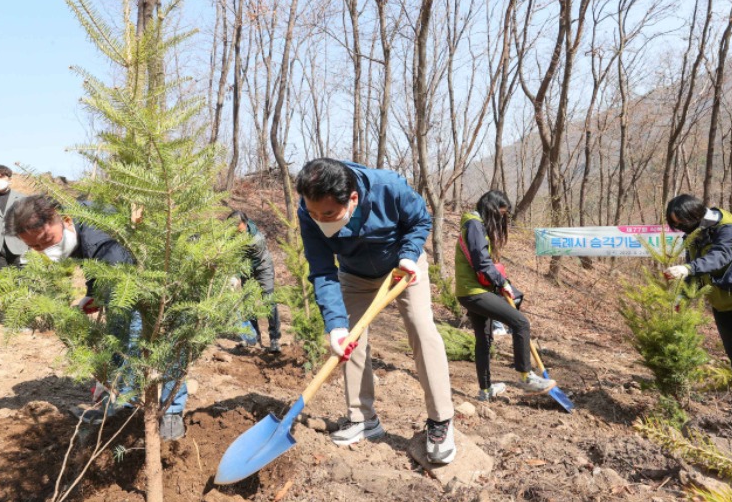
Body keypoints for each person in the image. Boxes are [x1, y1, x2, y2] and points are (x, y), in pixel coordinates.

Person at [296, 158, 456, 464]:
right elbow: (321, 269)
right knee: (350, 342)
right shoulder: (309, 211)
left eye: (328, 214)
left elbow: (420, 220)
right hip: (354, 275)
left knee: (422, 329)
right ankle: (363, 419)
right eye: (313, 213)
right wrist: (336, 325)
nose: (319, 220)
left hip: (402, 267)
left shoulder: (388, 188)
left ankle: (441, 420)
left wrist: (409, 255)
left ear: (353, 198)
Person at [5, 195, 188, 439]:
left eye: (47, 240)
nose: (44, 250)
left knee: (159, 343)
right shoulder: (77, 225)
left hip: (170, 280)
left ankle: (170, 411)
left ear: (62, 218)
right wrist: (92, 295)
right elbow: (94, 266)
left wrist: (108, 372)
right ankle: (122, 407)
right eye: (35, 247)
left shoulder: (101, 237)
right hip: (122, 279)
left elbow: (121, 294)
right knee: (122, 343)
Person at [664, 194, 732, 414]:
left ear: (694, 214)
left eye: (680, 222)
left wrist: (689, 268)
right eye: (674, 224)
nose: (678, 227)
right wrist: (682, 296)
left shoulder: (727, 230)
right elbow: (694, 272)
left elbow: (719, 257)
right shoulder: (693, 236)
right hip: (721, 302)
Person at [455, 190, 556, 402]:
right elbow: (482, 263)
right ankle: (526, 378)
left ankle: (485, 390)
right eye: (500, 214)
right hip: (475, 293)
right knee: (520, 323)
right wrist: (504, 283)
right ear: (491, 209)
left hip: (471, 291)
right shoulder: (474, 224)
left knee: (484, 339)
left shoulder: (475, 224)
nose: (502, 219)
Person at [226, 210, 282, 353]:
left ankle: (274, 338)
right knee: (248, 301)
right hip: (245, 267)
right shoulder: (233, 234)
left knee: (269, 300)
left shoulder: (256, 239)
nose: (235, 232)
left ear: (244, 224)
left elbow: (252, 263)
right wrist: (233, 275)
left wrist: (237, 275)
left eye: (237, 228)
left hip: (262, 267)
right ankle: (254, 337)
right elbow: (232, 255)